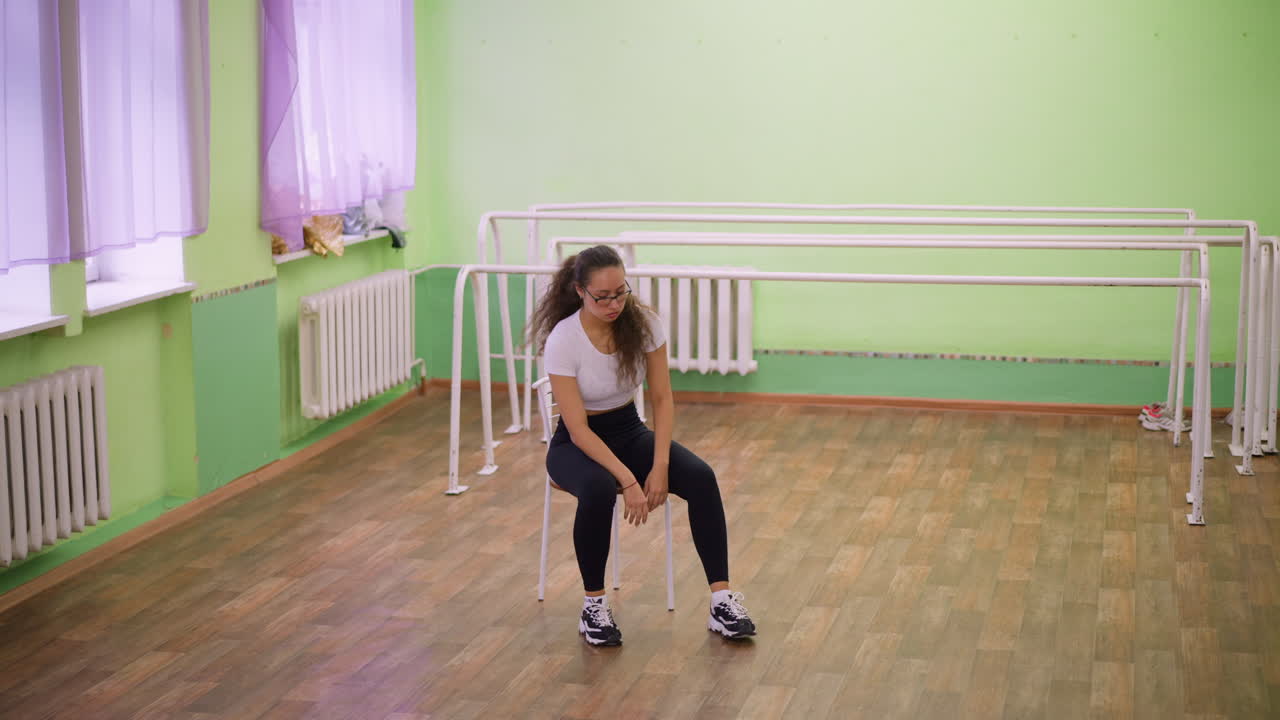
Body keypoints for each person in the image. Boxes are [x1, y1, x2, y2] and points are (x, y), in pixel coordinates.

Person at [528, 245, 756, 646]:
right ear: (580, 291)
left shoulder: (645, 324)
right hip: (576, 445)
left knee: (702, 477)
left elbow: (663, 398)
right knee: (599, 489)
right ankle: (593, 606)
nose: (614, 303)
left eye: (621, 292)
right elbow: (578, 429)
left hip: (629, 430)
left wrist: (661, 464)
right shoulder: (564, 339)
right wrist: (629, 481)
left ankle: (721, 600)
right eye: (603, 297)